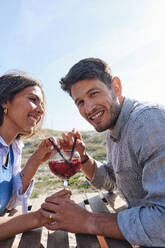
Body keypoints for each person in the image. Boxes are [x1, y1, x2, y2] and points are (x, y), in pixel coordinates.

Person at [40, 58, 165, 247]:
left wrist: (88, 220)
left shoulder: (147, 122)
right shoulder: (113, 130)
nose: (88, 108)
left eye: (94, 93)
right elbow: (113, 180)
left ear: (116, 87)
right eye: (80, 102)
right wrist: (82, 158)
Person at [0, 70, 71, 240]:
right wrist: (40, 216)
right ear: (4, 101)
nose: (41, 111)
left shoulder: (13, 147)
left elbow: (11, 203)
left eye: (42, 105)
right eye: (33, 100)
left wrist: (36, 159)